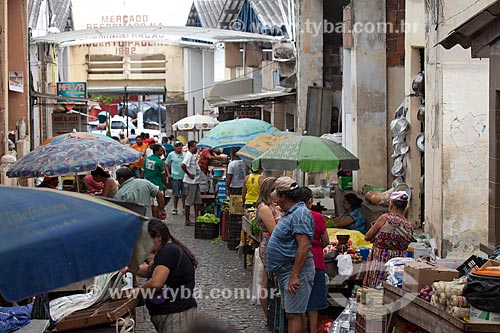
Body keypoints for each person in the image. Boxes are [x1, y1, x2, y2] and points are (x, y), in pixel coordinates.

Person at [124, 219, 198, 333]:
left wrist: (136, 291)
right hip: (171, 313)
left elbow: (156, 282)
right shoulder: (164, 251)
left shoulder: (168, 251)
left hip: (176, 313)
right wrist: (129, 268)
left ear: (158, 236)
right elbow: (150, 270)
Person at [266, 177, 315, 333]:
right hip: (286, 270)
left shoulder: (300, 213)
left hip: (293, 271)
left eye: (278, 197)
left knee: (293, 315)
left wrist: (294, 275)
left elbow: (304, 245)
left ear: (283, 196)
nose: (277, 201)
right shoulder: (292, 212)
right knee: (295, 313)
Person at [363, 191, 414, 288]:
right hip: (396, 266)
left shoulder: (385, 218)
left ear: (391, 204)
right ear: (406, 206)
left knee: (376, 290)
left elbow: (367, 236)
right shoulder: (409, 226)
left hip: (380, 262)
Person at [299, 187, 329, 333]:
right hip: (316, 259)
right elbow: (326, 241)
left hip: (298, 261)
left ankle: (302, 327)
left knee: (300, 298)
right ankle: (313, 329)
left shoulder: (294, 216)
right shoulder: (317, 217)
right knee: (314, 299)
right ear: (310, 201)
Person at [255, 177, 281, 325]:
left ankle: (270, 316)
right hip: (270, 245)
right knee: (268, 282)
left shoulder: (272, 206)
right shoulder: (265, 208)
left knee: (267, 280)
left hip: (272, 244)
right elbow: (274, 231)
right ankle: (268, 316)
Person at [142, 144, 168, 218]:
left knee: (151, 203)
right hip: (157, 185)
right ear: (156, 151)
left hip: (148, 184)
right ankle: (156, 219)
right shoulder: (159, 161)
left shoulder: (147, 159)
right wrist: (164, 184)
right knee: (157, 203)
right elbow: (163, 174)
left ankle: (152, 217)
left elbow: (142, 171)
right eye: (160, 151)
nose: (162, 152)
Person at [181, 140, 202, 226]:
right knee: (189, 201)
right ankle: (187, 220)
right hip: (190, 182)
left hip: (195, 181)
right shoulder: (188, 155)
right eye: (195, 146)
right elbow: (183, 165)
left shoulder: (193, 155)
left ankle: (197, 218)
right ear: (191, 147)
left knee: (198, 201)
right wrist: (189, 174)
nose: (196, 148)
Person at [165, 141, 186, 216]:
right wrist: (168, 174)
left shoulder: (185, 154)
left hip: (184, 177)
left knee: (184, 194)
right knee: (176, 194)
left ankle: (184, 208)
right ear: (174, 147)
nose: (179, 147)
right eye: (177, 146)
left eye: (180, 146)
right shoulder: (171, 154)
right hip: (175, 177)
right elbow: (166, 164)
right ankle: (175, 208)